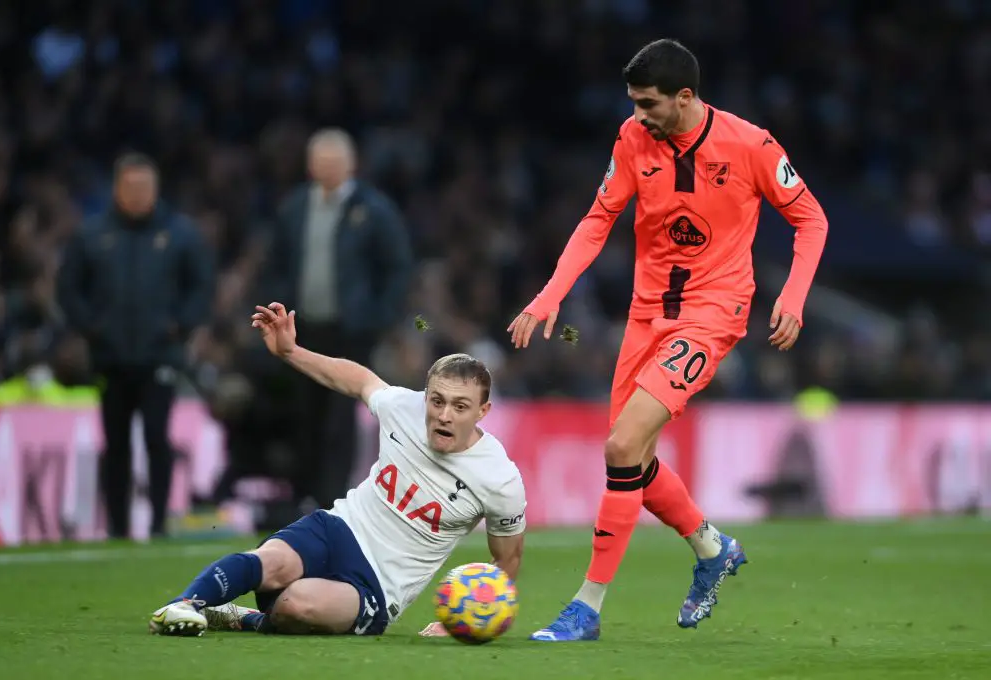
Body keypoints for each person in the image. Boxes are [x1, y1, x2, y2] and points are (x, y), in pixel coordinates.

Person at [509, 39, 828, 641]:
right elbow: (597, 218)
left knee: (623, 445)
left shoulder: (751, 145)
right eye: (632, 102)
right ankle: (712, 548)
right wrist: (550, 295)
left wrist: (793, 295)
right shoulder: (631, 140)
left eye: (647, 103)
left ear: (685, 97)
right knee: (631, 455)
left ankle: (587, 608)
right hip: (645, 312)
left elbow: (811, 219)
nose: (637, 114)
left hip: (713, 311)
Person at [150, 302, 526, 638]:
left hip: (378, 583)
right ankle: (184, 605)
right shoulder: (403, 408)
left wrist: (468, 621)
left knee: (298, 604)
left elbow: (506, 561)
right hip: (338, 528)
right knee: (271, 563)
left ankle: (242, 618)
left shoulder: (499, 478)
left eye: (460, 407)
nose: (444, 415)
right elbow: (356, 379)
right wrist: (291, 351)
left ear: (482, 412)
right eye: (437, 401)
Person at [57, 153, 214, 539]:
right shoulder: (93, 234)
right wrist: (90, 328)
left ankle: (159, 522)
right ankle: (117, 526)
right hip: (110, 357)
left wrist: (181, 325)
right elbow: (68, 287)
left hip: (159, 355)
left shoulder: (179, 233)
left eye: (145, 187)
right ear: (117, 190)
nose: (139, 195)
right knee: (115, 444)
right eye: (131, 187)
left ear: (156, 189)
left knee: (158, 439)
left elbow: (202, 285)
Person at [269, 128, 413, 515]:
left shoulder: (374, 209)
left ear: (350, 165)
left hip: (350, 331)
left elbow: (397, 267)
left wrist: (377, 316)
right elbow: (277, 263)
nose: (328, 168)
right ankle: (303, 495)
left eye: (335, 162)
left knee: (340, 420)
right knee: (305, 414)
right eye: (322, 161)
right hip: (303, 329)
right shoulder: (295, 207)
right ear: (310, 165)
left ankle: (332, 498)